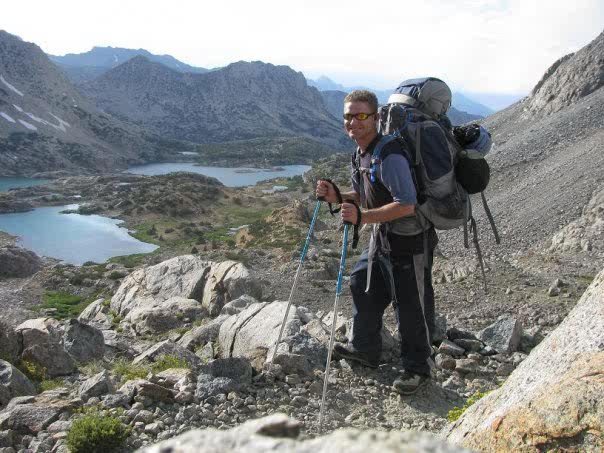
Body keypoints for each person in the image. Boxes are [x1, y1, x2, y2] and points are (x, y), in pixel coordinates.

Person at [316, 89, 437, 395]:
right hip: (382, 237)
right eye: (348, 116)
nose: (352, 122)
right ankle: (366, 350)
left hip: (409, 240)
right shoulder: (360, 154)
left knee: (409, 305)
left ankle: (418, 369)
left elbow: (406, 203)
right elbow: (362, 194)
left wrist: (362, 218)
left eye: (360, 115)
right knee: (361, 283)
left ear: (376, 117)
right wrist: (338, 196)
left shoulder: (390, 154)